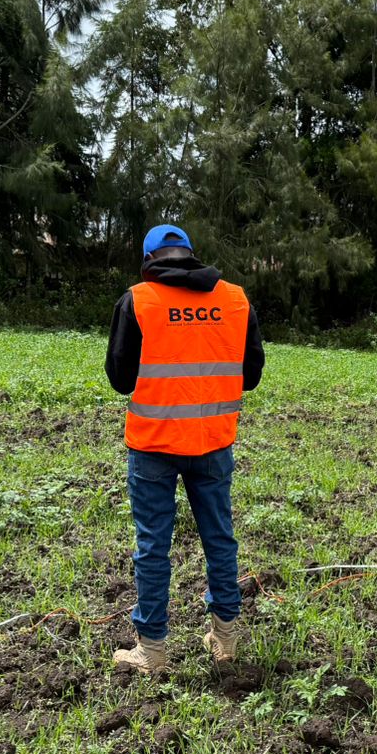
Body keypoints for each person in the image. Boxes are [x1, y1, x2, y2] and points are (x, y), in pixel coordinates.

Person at [104, 224, 265, 674]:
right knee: (220, 537)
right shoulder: (235, 300)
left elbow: (120, 378)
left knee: (153, 545)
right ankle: (226, 638)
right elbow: (250, 375)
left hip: (153, 445)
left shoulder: (137, 300)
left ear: (151, 259)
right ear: (189, 256)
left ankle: (152, 650)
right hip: (213, 444)